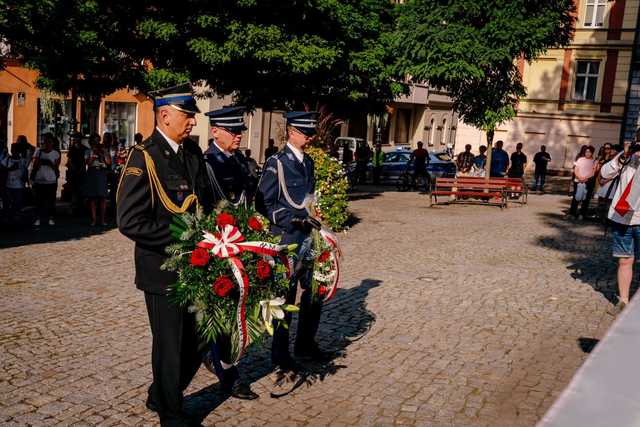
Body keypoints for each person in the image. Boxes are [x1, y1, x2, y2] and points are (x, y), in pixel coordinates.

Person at [116, 83, 215, 426]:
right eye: (187, 116)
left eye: (192, 117)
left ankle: (160, 393)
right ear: (165, 114)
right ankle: (170, 414)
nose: (191, 123)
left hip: (198, 267)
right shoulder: (143, 156)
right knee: (170, 345)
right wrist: (183, 240)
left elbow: (206, 203)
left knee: (201, 339)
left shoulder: (193, 154)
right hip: (162, 268)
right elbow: (129, 220)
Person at [257, 111, 329, 371]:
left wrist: (314, 215)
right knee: (284, 298)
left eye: (311, 133)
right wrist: (292, 220)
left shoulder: (308, 162)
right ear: (291, 132)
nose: (309, 138)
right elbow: (265, 203)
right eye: (305, 133)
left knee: (315, 291)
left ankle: (305, 344)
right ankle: (280, 352)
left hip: (309, 239)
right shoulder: (276, 162)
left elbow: (310, 199)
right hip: (286, 239)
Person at [201, 106, 258, 400]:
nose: (238, 136)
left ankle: (218, 358)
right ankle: (229, 376)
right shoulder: (205, 164)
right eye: (233, 131)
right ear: (215, 132)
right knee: (221, 316)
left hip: (241, 248)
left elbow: (249, 204)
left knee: (236, 314)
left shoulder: (241, 163)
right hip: (216, 251)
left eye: (240, 131)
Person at [600, 131, 640, 315]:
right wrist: (623, 155)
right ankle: (623, 301)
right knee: (624, 260)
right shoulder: (625, 159)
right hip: (622, 218)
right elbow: (604, 173)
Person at [31, 133, 61, 226]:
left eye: (49, 141)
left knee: (51, 201)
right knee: (38, 201)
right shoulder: (38, 151)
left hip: (51, 180)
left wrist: (49, 163)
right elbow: (35, 164)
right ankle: (38, 218)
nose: (46, 143)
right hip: (39, 180)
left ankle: (50, 218)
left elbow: (56, 167)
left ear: (52, 143)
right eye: (45, 141)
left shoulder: (56, 153)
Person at [84, 134, 111, 226]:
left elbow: (108, 163)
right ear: (91, 142)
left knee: (103, 197)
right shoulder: (88, 151)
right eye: (94, 140)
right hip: (92, 172)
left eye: (98, 140)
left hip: (102, 172)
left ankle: (103, 220)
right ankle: (94, 219)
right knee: (93, 198)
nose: (96, 142)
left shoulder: (104, 150)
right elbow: (87, 163)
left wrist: (102, 154)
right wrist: (93, 155)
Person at [568, 145, 597, 219]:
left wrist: (585, 178)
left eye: (589, 152)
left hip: (588, 182)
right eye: (586, 151)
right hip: (578, 181)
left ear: (592, 153)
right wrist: (579, 177)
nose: (587, 153)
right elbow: (576, 169)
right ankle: (572, 213)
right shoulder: (580, 159)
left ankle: (582, 214)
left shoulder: (594, 161)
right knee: (575, 198)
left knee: (586, 199)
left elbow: (593, 172)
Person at [2, 142, 29, 222]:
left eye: (14, 149)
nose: (13, 150)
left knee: (18, 204)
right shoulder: (7, 159)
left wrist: (26, 179)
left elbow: (25, 171)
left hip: (19, 186)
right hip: (8, 185)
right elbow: (2, 169)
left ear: (19, 150)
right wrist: (10, 169)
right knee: (9, 204)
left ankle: (16, 219)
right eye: (12, 149)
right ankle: (10, 218)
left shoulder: (23, 161)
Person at [66, 132, 88, 213]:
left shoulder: (84, 148)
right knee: (74, 190)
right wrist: (73, 168)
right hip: (73, 171)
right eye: (76, 138)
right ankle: (73, 207)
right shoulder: (72, 149)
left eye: (78, 138)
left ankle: (81, 207)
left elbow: (85, 161)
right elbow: (69, 161)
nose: (77, 139)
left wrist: (82, 167)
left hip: (81, 171)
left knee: (82, 190)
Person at [596, 143, 617, 222]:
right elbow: (601, 169)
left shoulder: (617, 161)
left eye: (613, 149)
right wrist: (600, 179)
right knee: (600, 199)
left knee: (608, 200)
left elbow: (615, 173)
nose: (611, 150)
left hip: (610, 182)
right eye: (611, 149)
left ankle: (606, 218)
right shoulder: (607, 159)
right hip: (602, 181)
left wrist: (606, 180)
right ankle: (599, 216)